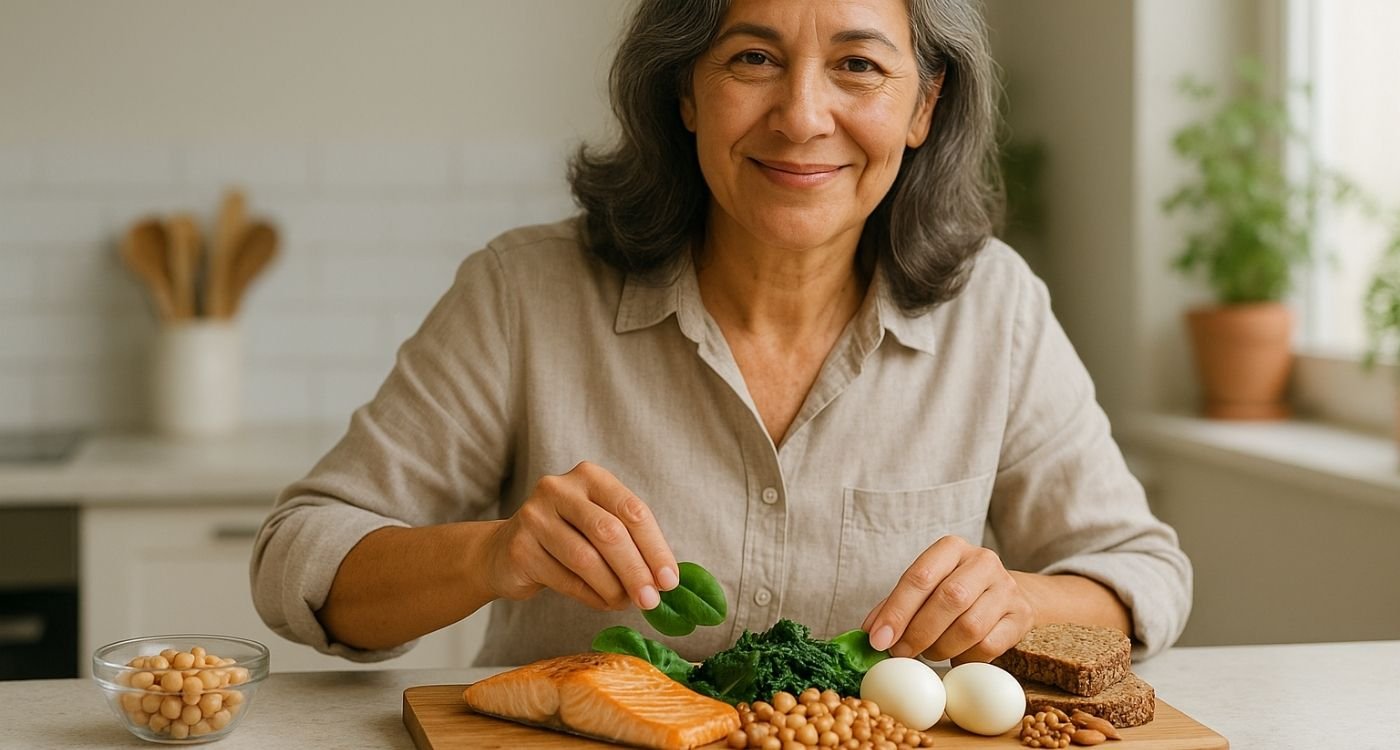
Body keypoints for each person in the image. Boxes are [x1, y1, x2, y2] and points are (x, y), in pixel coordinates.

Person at [251, 0, 1191, 669]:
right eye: (752, 58)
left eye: (859, 64)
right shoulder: (524, 291)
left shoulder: (997, 310)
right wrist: (492, 554)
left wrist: (1019, 603)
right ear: (687, 94)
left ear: (924, 107)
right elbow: (303, 558)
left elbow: (1141, 576)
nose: (802, 116)